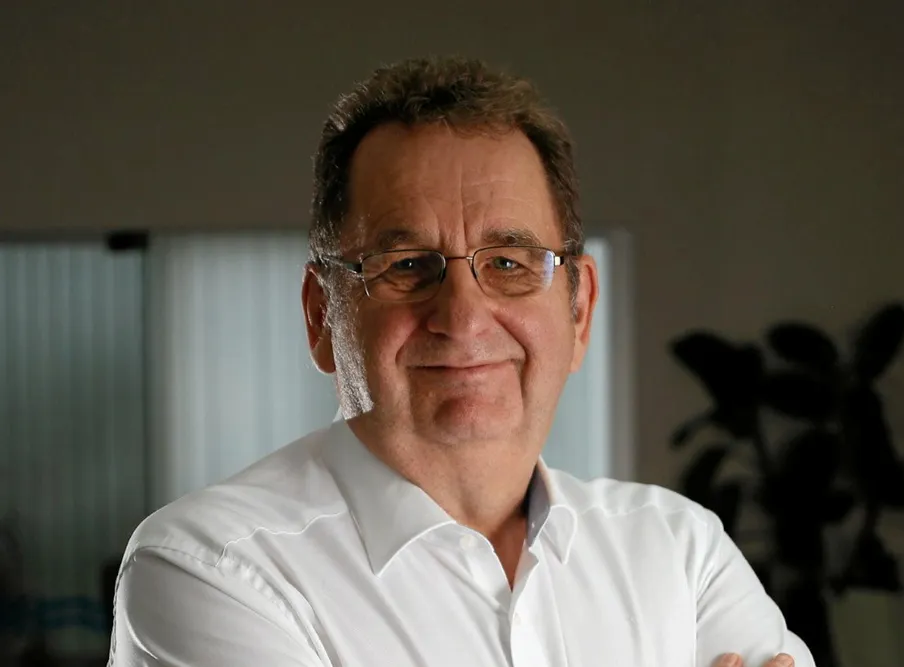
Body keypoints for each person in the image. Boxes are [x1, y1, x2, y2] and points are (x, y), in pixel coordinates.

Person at [108, 56, 814, 667]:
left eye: (509, 263)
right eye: (407, 265)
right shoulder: (211, 567)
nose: (464, 316)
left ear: (579, 310)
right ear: (323, 315)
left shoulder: (680, 552)